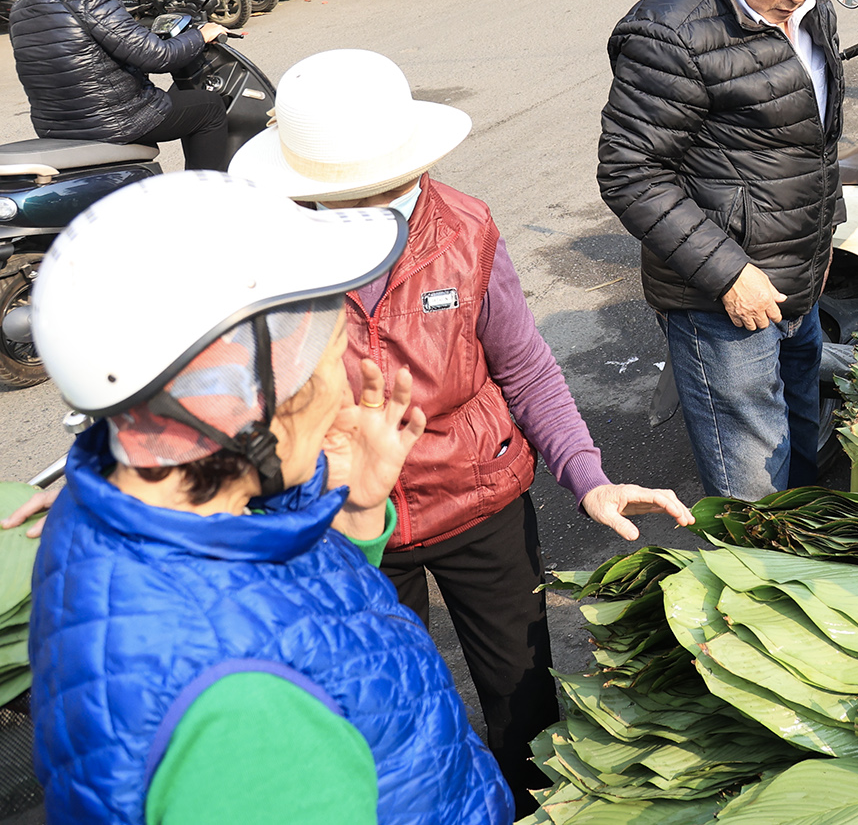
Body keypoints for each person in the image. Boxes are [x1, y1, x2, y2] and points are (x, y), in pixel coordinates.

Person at [228, 49, 691, 816]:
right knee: (394, 713)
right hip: (350, 525)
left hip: (480, 503)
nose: (377, 209)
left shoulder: (466, 228)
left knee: (523, 700)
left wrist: (589, 474)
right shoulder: (267, 257)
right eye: (343, 200)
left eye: (391, 189)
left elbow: (527, 368)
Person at [24, 173, 515, 824]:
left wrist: (357, 516)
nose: (344, 397)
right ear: (239, 400)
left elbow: (302, 635)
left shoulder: (128, 507)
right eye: (328, 360)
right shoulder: (244, 714)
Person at [597, 0, 844, 501]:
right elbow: (632, 172)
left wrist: (823, 243)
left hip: (798, 275)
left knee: (802, 443)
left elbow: (813, 137)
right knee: (753, 485)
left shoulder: (811, 7)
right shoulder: (670, 31)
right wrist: (730, 274)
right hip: (724, 300)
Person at [10, 0, 231, 171]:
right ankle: (207, 192)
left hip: (56, 126)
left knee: (182, 94)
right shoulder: (92, 0)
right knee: (209, 106)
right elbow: (159, 57)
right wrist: (201, 35)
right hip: (116, 122)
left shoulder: (21, 10)